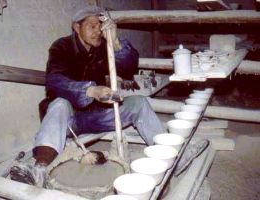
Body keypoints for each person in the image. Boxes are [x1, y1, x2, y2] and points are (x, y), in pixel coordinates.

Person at [10, 5, 165, 187]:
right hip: (68, 121)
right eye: (92, 26)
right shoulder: (62, 47)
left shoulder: (102, 48)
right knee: (60, 103)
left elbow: (130, 66)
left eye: (100, 26)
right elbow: (54, 80)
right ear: (77, 27)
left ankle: (166, 152)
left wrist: (115, 43)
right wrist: (90, 90)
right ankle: (39, 168)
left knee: (139, 102)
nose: (98, 31)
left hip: (95, 116)